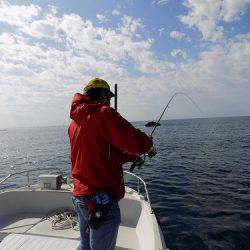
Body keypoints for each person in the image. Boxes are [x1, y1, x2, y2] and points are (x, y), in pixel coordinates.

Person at [68, 78, 155, 250]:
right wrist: (147, 144)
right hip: (101, 199)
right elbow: (132, 138)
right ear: (101, 95)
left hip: (80, 197)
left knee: (85, 246)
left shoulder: (75, 122)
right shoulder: (103, 113)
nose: (109, 101)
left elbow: (102, 153)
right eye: (108, 96)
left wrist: (131, 157)